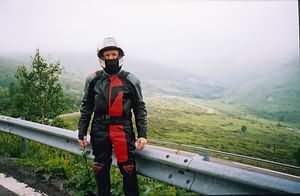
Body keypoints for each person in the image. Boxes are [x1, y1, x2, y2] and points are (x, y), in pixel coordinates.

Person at [77, 36, 148, 196]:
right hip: (99, 128)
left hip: (122, 128)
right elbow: (86, 106)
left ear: (119, 56)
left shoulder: (131, 80)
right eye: (107, 55)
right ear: (101, 57)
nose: (110, 58)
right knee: (100, 167)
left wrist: (142, 134)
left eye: (113, 55)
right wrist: (82, 131)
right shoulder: (93, 79)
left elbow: (139, 108)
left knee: (128, 167)